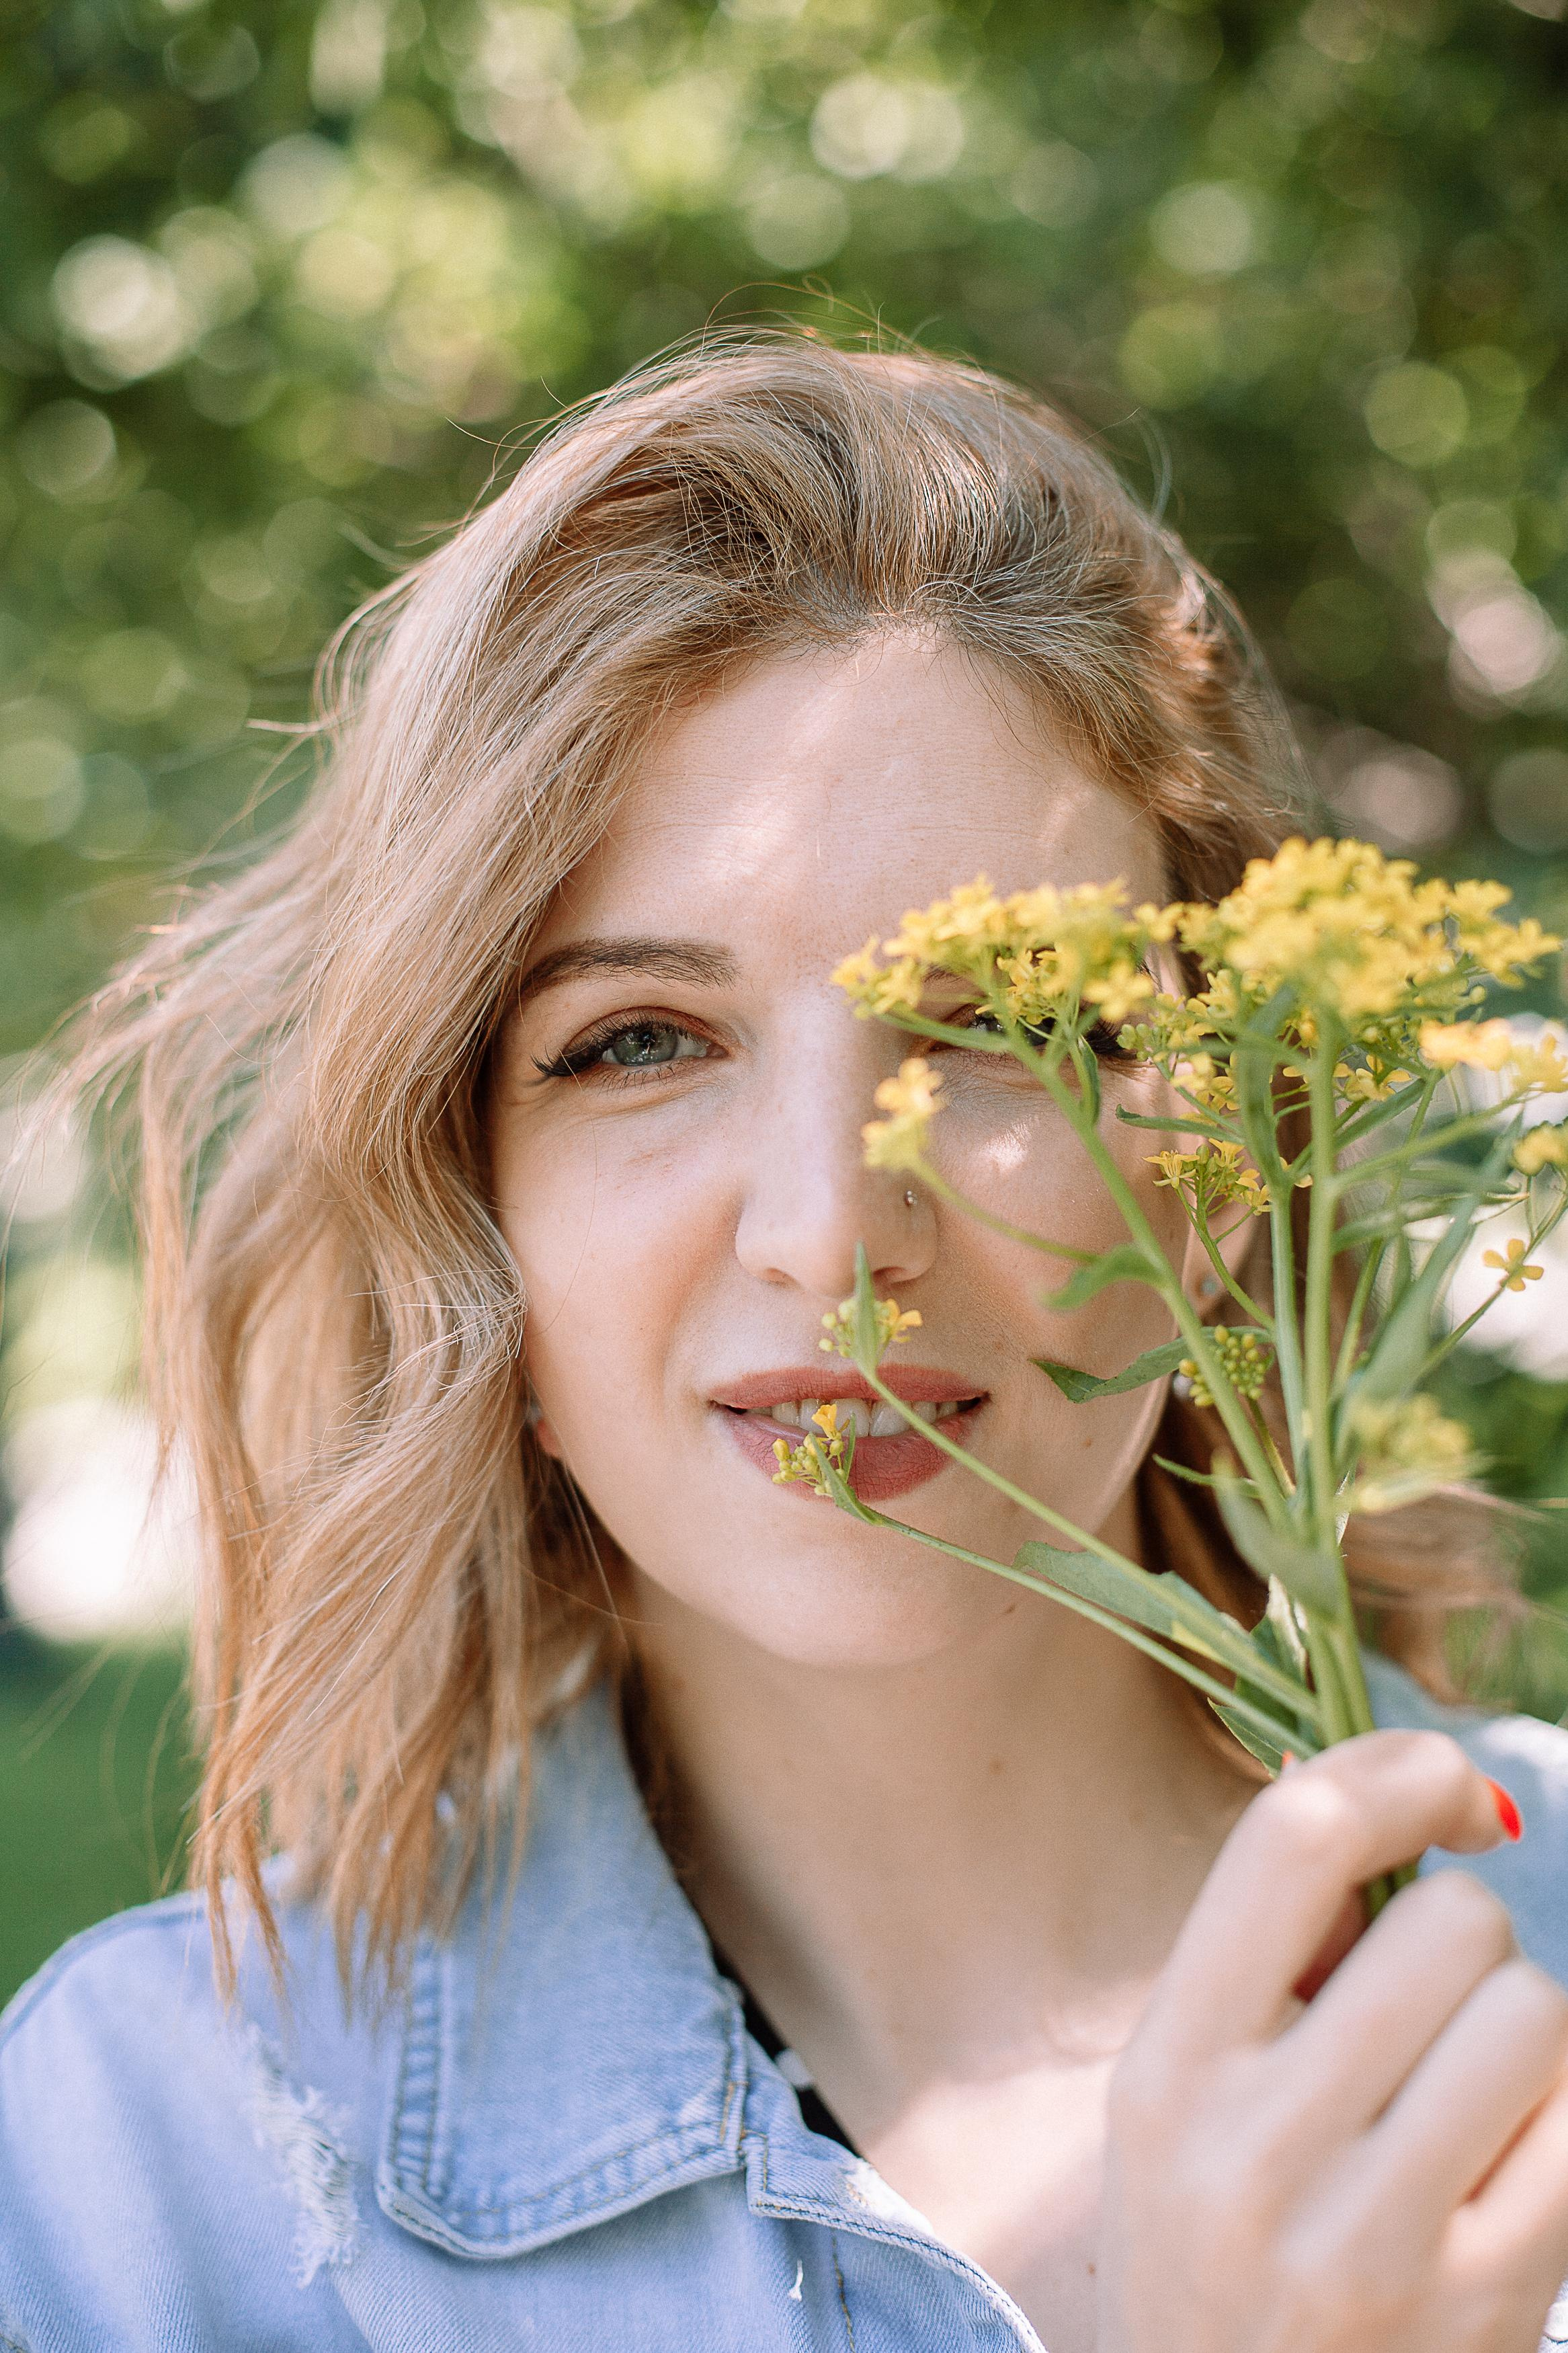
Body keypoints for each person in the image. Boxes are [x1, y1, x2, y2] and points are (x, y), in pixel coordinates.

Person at [5, 335, 1568, 2353]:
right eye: (641, 1042)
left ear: (1235, 1148)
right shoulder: (140, 2185)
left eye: (1016, 1022)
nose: (834, 1225)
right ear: (465, 1195)